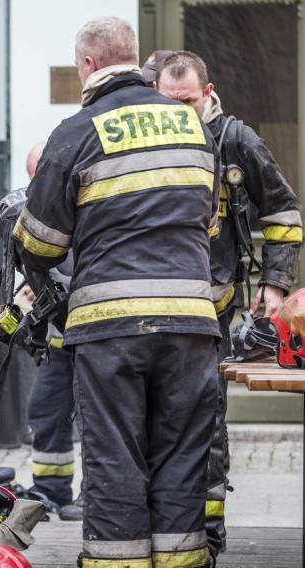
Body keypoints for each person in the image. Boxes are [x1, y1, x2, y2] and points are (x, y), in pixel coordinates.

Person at [12, 17, 220, 567]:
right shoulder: (191, 125)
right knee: (182, 454)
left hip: (110, 328)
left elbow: (41, 244)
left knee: (115, 455)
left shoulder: (76, 132)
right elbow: (209, 219)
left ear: (86, 65)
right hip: (191, 322)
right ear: (136, 57)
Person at [154, 50, 302, 560]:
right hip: (152, 307)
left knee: (207, 420)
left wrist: (276, 285)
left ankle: (209, 537)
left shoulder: (236, 141)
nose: (177, 113)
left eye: (187, 102)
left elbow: (282, 212)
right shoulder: (147, 139)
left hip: (212, 309)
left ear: (208, 92)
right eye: (167, 102)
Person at [17, 141, 83, 522]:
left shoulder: (88, 206)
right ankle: (51, 492)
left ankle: (96, 495)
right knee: (44, 412)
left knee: (100, 419)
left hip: (95, 340)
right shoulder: (34, 213)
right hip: (60, 347)